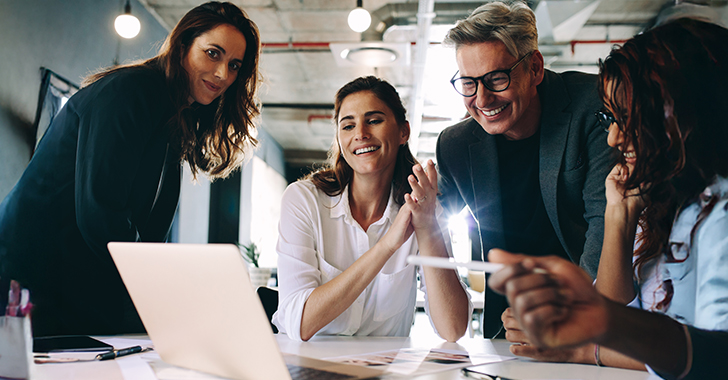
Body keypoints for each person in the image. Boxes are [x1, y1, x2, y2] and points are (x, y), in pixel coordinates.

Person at [0, 1, 261, 337]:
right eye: (213, 53)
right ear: (183, 46)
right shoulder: (132, 91)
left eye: (235, 65)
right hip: (29, 280)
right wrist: (154, 295)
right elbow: (100, 212)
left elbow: (149, 232)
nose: (223, 74)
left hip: (70, 283)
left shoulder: (173, 117)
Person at [490, 18, 728, 379]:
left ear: (686, 115)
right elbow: (626, 325)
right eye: (611, 118)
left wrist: (590, 336)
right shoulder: (664, 203)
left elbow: (717, 357)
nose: (614, 138)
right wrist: (619, 216)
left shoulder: (720, 212)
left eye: (629, 118)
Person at [435, 0, 613, 337]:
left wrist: (571, 318)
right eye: (469, 83)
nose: (483, 100)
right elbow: (430, 227)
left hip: (587, 318)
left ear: (534, 68)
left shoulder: (592, 105)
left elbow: (605, 226)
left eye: (497, 79)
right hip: (506, 327)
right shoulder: (455, 145)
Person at [273, 76, 472, 342]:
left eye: (374, 120)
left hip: (382, 370)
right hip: (308, 365)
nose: (360, 134)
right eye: (348, 125)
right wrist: (386, 246)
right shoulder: (304, 200)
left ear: (403, 132)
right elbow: (300, 323)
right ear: (340, 140)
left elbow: (453, 329)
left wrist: (426, 227)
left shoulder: (424, 210)